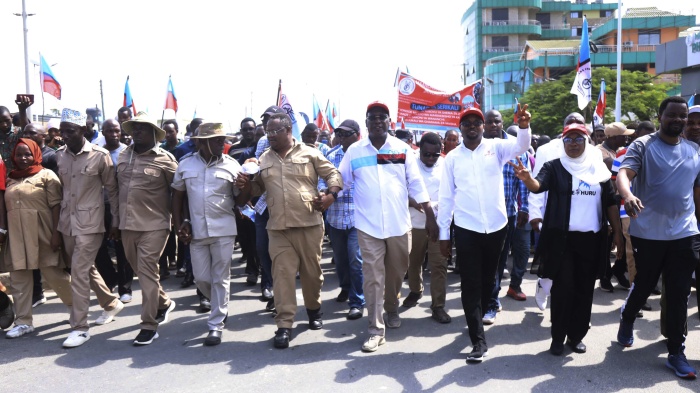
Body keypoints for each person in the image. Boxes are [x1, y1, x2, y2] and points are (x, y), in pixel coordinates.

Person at [511, 123, 623, 355]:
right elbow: (538, 185)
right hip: (563, 241)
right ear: (562, 143)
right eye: (568, 139)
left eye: (578, 139)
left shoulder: (599, 169)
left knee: (584, 290)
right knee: (564, 290)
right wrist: (527, 179)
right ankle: (558, 337)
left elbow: (611, 202)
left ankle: (576, 336)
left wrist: (618, 234)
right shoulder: (555, 167)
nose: (573, 143)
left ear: (587, 142)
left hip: (591, 241)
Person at [236, 113, 342, 349]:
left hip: (309, 224)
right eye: (267, 132)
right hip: (278, 228)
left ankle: (314, 310)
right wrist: (244, 185)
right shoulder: (263, 159)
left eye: (274, 132)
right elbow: (255, 190)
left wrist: (330, 196)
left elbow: (332, 173)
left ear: (287, 130)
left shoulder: (310, 152)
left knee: (312, 275)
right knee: (282, 275)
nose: (269, 136)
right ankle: (284, 324)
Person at [338, 101, 437, 353]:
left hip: (398, 225)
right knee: (373, 277)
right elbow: (342, 181)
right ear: (366, 122)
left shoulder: (403, 149)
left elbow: (415, 183)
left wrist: (429, 213)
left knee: (396, 273)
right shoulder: (355, 152)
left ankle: (391, 306)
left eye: (383, 117)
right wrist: (329, 194)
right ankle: (374, 328)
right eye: (373, 117)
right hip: (368, 226)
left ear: (389, 122)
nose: (378, 121)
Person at [438, 104, 531, 363]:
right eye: (466, 123)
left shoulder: (496, 147)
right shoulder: (452, 159)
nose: (472, 126)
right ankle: (478, 340)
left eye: (476, 123)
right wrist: (445, 235)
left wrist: (523, 127)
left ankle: (478, 314)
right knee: (470, 283)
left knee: (488, 280)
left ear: (482, 127)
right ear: (460, 128)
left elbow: (521, 147)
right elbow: (446, 198)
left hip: (497, 228)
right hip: (467, 229)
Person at [616, 96, 700, 379]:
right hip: (649, 233)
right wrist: (627, 195)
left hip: (685, 232)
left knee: (678, 292)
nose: (678, 120)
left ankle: (676, 351)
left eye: (683, 116)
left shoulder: (694, 150)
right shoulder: (643, 145)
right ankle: (627, 317)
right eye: (672, 115)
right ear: (661, 116)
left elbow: (696, 193)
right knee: (646, 283)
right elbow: (624, 173)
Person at [56, 108, 124, 348]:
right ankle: (111, 303)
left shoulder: (100, 155)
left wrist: (115, 221)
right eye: (62, 131)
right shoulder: (60, 156)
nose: (65, 136)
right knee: (84, 269)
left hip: (91, 224)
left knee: (79, 272)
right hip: (67, 224)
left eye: (70, 131)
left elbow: (112, 191)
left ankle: (80, 327)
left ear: (83, 130)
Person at [172, 122, 243, 346]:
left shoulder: (232, 165)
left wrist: (246, 186)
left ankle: (216, 324)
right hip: (197, 230)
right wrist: (179, 223)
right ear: (200, 142)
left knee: (220, 277)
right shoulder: (185, 165)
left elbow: (241, 199)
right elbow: (177, 197)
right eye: (216, 139)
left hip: (224, 229)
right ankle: (219, 306)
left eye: (223, 139)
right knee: (202, 277)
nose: (222, 143)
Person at [1, 139, 73, 338]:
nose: (23, 158)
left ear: (36, 154)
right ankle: (23, 322)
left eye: (28, 154)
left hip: (43, 233)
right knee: (19, 279)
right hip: (16, 235)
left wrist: (56, 234)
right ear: (13, 157)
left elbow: (57, 206)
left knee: (54, 275)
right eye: (19, 154)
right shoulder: (10, 178)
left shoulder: (47, 175)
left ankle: (76, 308)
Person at [117, 113, 178, 345]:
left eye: (143, 128)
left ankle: (148, 325)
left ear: (154, 132)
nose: (137, 132)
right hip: (127, 225)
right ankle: (163, 302)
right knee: (140, 271)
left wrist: (181, 220)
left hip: (155, 225)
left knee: (147, 271)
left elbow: (180, 192)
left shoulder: (167, 160)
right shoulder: (124, 155)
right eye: (134, 128)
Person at [528, 112, 586, 311]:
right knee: (551, 261)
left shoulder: (592, 151)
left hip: (581, 218)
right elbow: (536, 182)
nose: (575, 127)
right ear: (564, 128)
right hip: (552, 215)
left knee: (571, 267)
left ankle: (567, 312)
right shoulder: (546, 150)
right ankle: (543, 286)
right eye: (570, 123)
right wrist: (534, 213)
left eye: (580, 125)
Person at [480, 110, 531, 326]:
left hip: (507, 214)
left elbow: (523, 178)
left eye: (496, 121)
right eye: (488, 121)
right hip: (479, 216)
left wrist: (524, 208)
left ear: (502, 123)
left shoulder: (514, 146)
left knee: (499, 261)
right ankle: (487, 299)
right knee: (481, 263)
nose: (492, 124)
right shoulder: (475, 146)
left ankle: (491, 300)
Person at [403, 132, 451, 323]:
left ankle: (438, 306)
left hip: (440, 224)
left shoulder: (447, 165)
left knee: (439, 265)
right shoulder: (409, 164)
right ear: (419, 149)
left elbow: (452, 192)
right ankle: (415, 290)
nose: (431, 158)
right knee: (414, 262)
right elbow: (400, 191)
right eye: (427, 154)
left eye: (435, 154)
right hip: (414, 223)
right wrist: (414, 202)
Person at [325, 119, 365, 320]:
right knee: (340, 260)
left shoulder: (365, 154)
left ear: (357, 134)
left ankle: (357, 300)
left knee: (355, 259)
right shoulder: (330, 156)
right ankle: (346, 287)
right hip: (335, 216)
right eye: (339, 134)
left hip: (358, 217)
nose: (341, 138)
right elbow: (319, 181)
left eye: (346, 134)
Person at [93, 119, 133, 304]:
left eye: (117, 130)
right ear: (103, 132)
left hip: (122, 205)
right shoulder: (96, 152)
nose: (114, 134)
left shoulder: (128, 152)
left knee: (122, 247)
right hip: (100, 205)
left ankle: (125, 288)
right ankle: (110, 280)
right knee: (98, 246)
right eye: (110, 130)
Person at [0, 95, 33, 171]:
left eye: (6, 120)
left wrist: (22, 109)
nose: (4, 124)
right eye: (0, 122)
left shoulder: (18, 132)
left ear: (11, 117)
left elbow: (26, 130)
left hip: (18, 176)